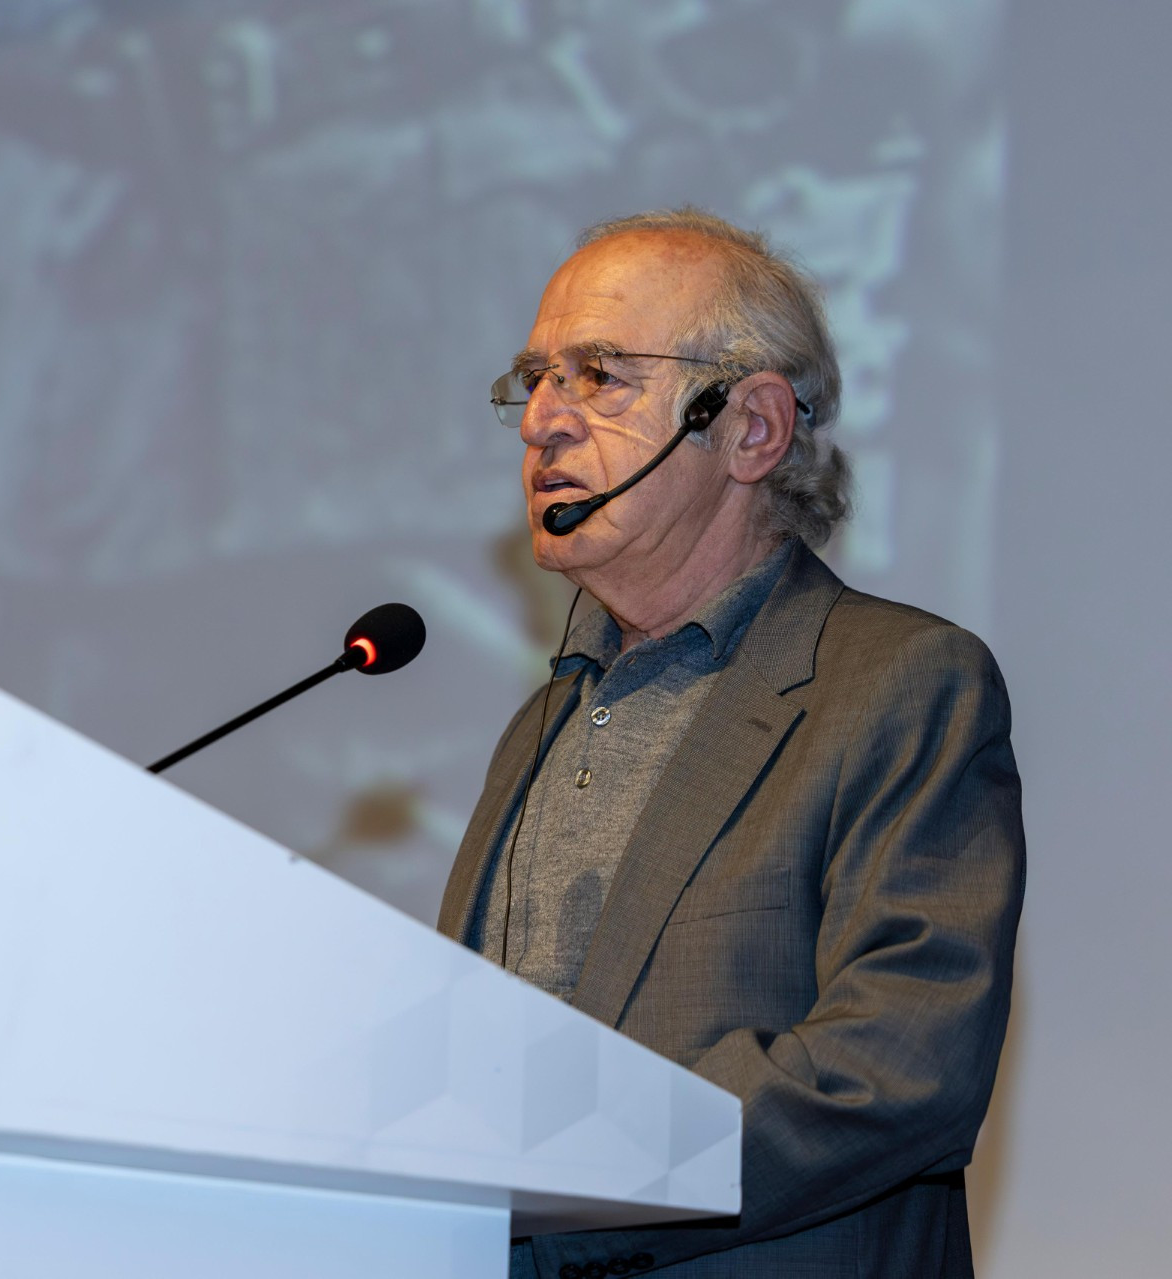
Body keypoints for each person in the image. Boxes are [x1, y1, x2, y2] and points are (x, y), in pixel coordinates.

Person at [437, 208, 1023, 1278]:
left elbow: (896, 1066)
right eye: (536, 380)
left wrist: (561, 1187)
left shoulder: (899, 682)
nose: (542, 423)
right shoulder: (540, 724)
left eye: (599, 376)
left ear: (752, 429)